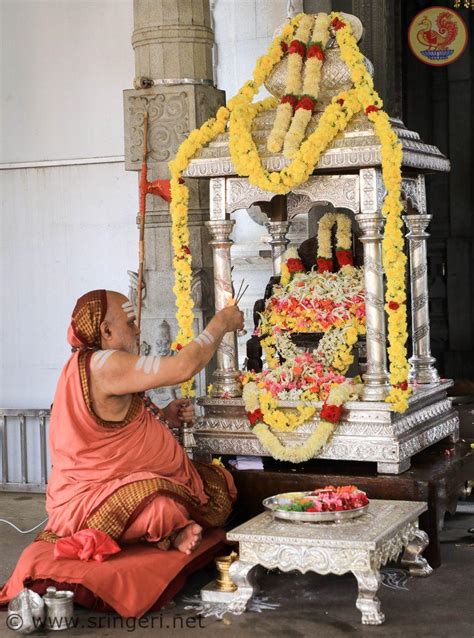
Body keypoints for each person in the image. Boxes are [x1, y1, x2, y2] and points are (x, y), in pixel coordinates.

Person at [39, 289, 244, 555]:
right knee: (161, 508)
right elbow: (183, 367)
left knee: (218, 481)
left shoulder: (91, 365)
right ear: (106, 331)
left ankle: (171, 529)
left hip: (112, 483)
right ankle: (169, 532)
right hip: (92, 496)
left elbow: (121, 420)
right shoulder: (103, 363)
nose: (137, 331)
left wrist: (165, 415)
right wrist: (221, 323)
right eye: (130, 323)